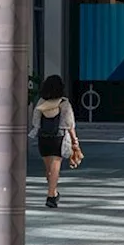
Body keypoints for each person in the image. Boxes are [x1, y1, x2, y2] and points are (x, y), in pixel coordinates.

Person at [28, 75, 77, 208]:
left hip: (43, 137)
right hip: (58, 137)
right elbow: (69, 124)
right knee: (55, 167)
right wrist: (75, 141)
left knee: (49, 168)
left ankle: (53, 192)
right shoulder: (64, 103)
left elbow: (35, 121)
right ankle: (51, 196)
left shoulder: (41, 102)